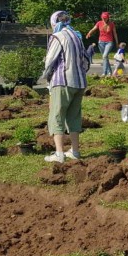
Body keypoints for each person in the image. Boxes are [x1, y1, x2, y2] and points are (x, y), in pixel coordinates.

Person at [42, 10, 94, 163]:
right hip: (79, 83)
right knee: (74, 117)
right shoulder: (76, 35)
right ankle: (75, 151)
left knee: (57, 116)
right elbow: (86, 60)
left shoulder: (57, 37)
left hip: (62, 81)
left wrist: (48, 79)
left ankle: (59, 154)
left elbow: (50, 61)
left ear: (54, 22)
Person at [86, 12, 119, 77]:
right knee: (105, 57)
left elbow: (115, 33)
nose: (104, 19)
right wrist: (89, 33)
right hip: (101, 42)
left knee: (104, 56)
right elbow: (93, 29)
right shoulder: (99, 23)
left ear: (108, 18)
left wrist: (117, 42)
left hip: (109, 42)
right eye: (103, 18)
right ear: (101, 17)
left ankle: (104, 73)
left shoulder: (111, 24)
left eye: (105, 18)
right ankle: (110, 73)